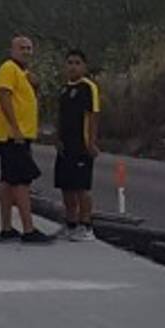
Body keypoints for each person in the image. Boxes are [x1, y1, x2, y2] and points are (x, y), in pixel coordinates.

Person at [0, 35, 53, 244]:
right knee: (21, 181)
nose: (26, 51)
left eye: (29, 48)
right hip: (12, 136)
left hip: (20, 135)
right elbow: (4, 97)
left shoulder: (23, 73)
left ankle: (7, 228)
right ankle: (28, 229)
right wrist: (15, 128)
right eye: (22, 48)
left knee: (9, 181)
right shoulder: (8, 68)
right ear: (12, 50)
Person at [55, 49, 101, 241]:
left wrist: (90, 142)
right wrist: (58, 139)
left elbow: (93, 116)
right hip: (65, 147)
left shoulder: (88, 87)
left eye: (77, 63)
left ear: (84, 66)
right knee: (67, 186)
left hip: (81, 146)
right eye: (70, 63)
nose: (73, 66)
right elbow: (60, 116)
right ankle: (70, 223)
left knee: (82, 187)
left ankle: (86, 225)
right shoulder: (64, 89)